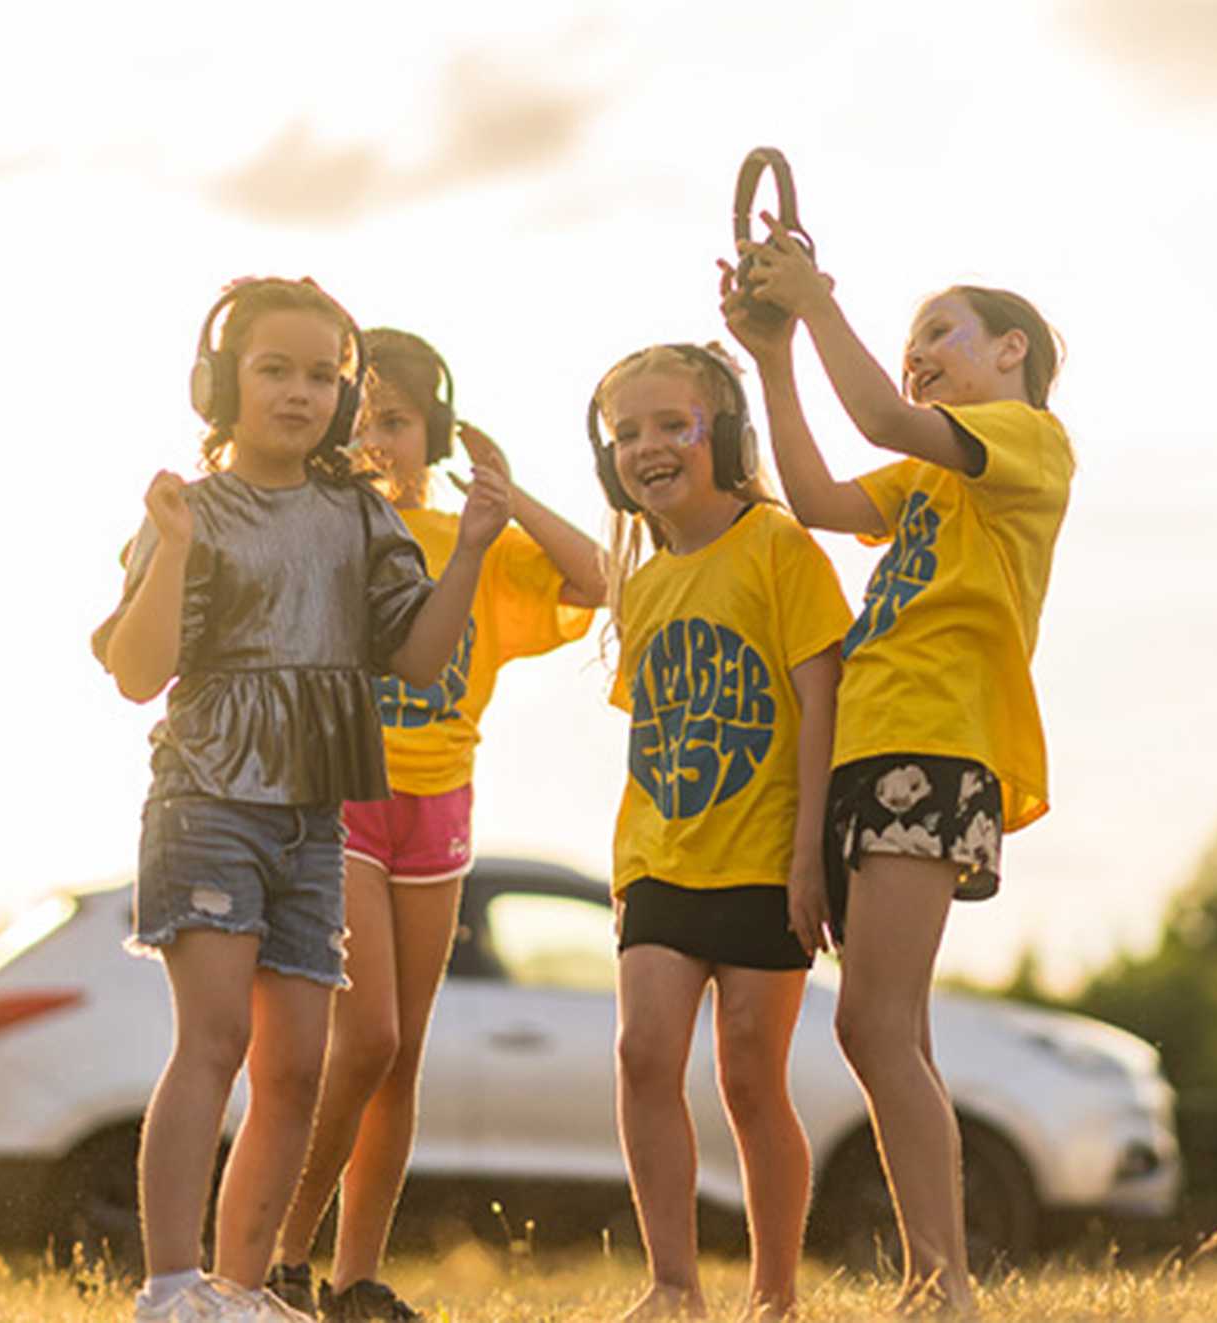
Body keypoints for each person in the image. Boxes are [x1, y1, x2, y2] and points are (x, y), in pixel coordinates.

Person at [95, 280, 511, 1323]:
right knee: (214, 1040)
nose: (298, 392)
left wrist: (467, 553)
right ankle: (169, 1286)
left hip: (312, 818)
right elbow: (137, 674)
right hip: (207, 803)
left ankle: (237, 1289)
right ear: (218, 382)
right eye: (273, 369)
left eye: (321, 375)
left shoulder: (359, 515)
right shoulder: (190, 511)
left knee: (298, 1066)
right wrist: (174, 552)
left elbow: (417, 660)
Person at [725, 218, 1073, 1315]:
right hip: (869, 752)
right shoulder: (926, 478)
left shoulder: (1025, 442)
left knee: (867, 1024)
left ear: (1009, 350)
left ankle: (943, 1281)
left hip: (934, 744)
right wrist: (776, 356)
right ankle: (937, 1277)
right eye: (911, 335)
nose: (917, 349)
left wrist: (816, 302)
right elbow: (820, 500)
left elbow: (876, 410)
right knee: (893, 1026)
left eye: (939, 330)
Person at [265, 329, 604, 1322]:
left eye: (399, 421)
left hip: (441, 805)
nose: (377, 439)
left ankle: (353, 1277)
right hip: (343, 799)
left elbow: (595, 579)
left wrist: (506, 496)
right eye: (360, 419)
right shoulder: (323, 525)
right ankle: (283, 1248)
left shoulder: (473, 538)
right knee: (362, 1036)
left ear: (434, 431)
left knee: (401, 1050)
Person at [591, 343, 849, 1322]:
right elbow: (654, 732)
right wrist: (626, 861)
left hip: (764, 859)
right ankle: (672, 1286)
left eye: (671, 425)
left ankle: (773, 1294)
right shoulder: (646, 584)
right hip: (659, 859)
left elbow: (817, 705)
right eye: (625, 433)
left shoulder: (777, 546)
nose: (647, 447)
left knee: (749, 1070)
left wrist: (807, 858)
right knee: (641, 1056)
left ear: (723, 436)